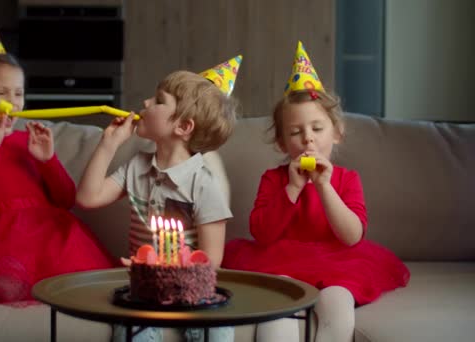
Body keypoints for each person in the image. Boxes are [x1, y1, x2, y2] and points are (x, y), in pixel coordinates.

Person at [222, 42, 410, 342]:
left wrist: (323, 187)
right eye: (296, 132)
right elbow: (263, 233)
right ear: (282, 144)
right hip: (279, 261)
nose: (307, 139)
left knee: (337, 301)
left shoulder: (347, 179)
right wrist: (293, 188)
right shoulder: (273, 179)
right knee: (276, 301)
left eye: (317, 129)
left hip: (337, 262)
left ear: (337, 133)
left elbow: (352, 235)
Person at [0, 10, 115, 305]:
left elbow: (66, 200)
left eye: (19, 93)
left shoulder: (28, 141)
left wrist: (47, 160)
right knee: (6, 285)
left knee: (86, 279)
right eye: (2, 93)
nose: (13, 102)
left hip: (50, 233)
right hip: (2, 239)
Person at [76, 56, 242, 342]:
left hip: (192, 291)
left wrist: (174, 276)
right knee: (131, 333)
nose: (146, 103)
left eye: (158, 100)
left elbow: (212, 260)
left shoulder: (203, 184)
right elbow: (88, 198)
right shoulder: (136, 167)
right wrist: (109, 144)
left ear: (183, 127)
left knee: (216, 333)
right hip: (143, 290)